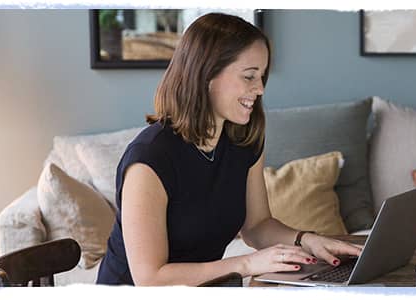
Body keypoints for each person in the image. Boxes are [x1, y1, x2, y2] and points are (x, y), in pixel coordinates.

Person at [96, 13, 364, 286]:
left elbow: (257, 226)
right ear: (206, 74)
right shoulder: (150, 158)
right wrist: (248, 263)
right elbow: (150, 279)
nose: (259, 89)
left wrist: (308, 240)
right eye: (249, 76)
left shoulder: (243, 138)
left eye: (261, 76)